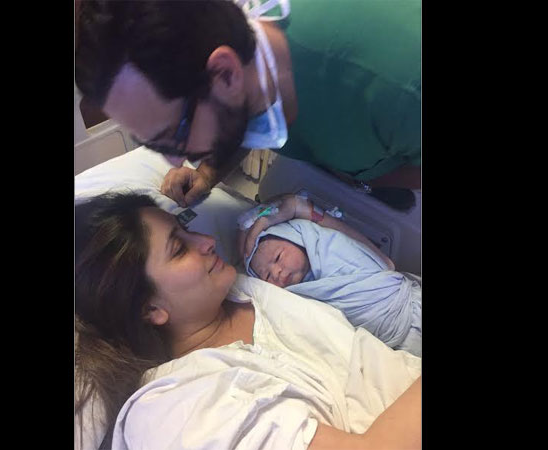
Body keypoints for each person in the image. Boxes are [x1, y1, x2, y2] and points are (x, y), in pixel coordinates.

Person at [75, 191, 421, 449]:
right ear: (149, 310)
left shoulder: (243, 287)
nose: (208, 241)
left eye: (186, 228)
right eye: (179, 249)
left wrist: (298, 207)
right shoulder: (177, 411)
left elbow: (370, 266)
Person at [75, 0, 421, 209]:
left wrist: (373, 180)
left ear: (226, 73)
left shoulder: (400, 83)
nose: (175, 160)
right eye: (152, 143)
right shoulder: (228, 44)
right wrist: (208, 173)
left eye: (174, 136)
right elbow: (236, 113)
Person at [240, 193, 422, 356]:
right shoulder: (296, 298)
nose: (276, 272)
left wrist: (273, 215)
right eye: (266, 276)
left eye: (278, 257)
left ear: (299, 238)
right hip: (393, 346)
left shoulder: (329, 244)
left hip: (411, 306)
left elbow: (387, 264)